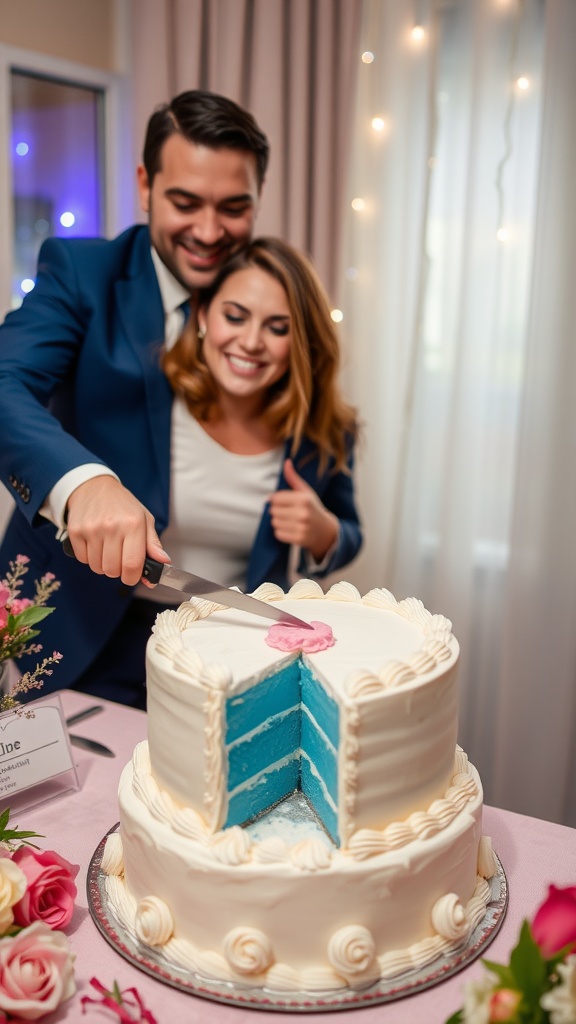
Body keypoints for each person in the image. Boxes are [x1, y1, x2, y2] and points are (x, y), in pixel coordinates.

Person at [0, 90, 270, 705]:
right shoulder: (82, 271)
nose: (208, 231)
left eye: (234, 207)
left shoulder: (268, 295)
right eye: (185, 202)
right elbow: (2, 381)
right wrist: (82, 482)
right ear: (146, 186)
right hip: (74, 625)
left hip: (222, 647)